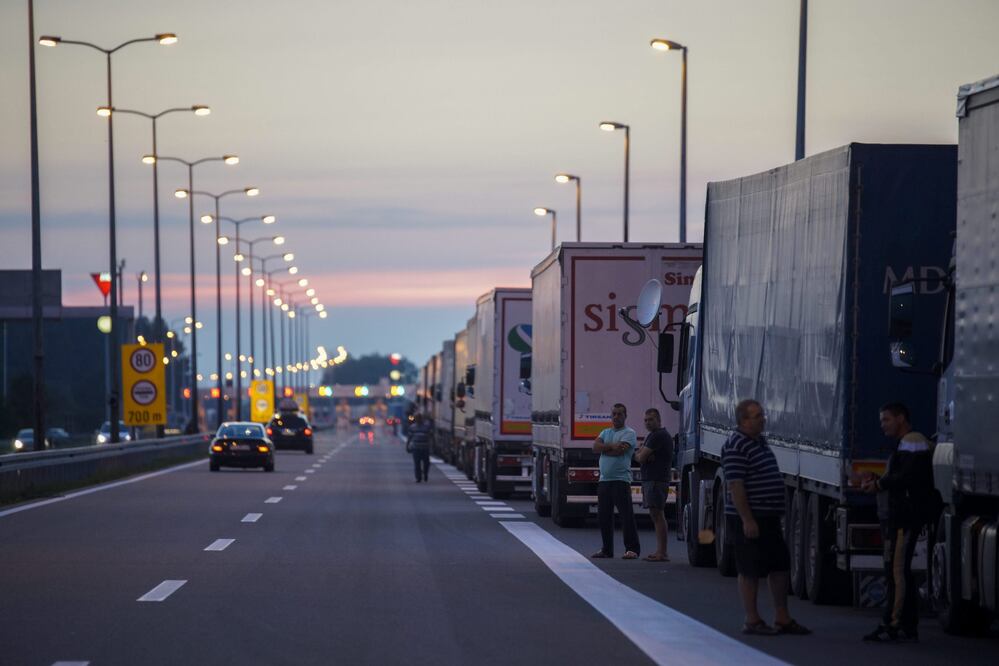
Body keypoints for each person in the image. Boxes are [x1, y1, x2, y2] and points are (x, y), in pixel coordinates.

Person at [722, 399, 811, 636]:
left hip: (768, 517)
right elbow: (736, 485)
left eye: (762, 415)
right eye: (757, 416)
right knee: (750, 568)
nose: (763, 419)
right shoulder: (736, 444)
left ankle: (782, 617)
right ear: (743, 420)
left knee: (780, 564)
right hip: (750, 517)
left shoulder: (758, 442)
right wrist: (747, 519)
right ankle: (752, 620)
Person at [860, 403, 935, 643]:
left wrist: (880, 485)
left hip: (903, 519)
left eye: (887, 420)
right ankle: (907, 623)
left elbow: (907, 477)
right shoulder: (907, 443)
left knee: (896, 571)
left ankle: (891, 623)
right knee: (899, 571)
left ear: (901, 418)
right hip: (901, 517)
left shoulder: (913, 441)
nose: (883, 425)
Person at [591, 403, 641, 560]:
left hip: (621, 480)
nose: (616, 417)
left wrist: (605, 449)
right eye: (614, 414)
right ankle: (607, 549)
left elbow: (621, 451)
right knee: (604, 516)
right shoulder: (606, 432)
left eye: (620, 414)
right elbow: (595, 447)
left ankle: (632, 549)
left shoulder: (629, 433)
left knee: (626, 516)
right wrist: (611, 446)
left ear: (625, 416)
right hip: (604, 481)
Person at [635, 408, 672, 562]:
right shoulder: (654, 435)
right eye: (645, 420)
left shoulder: (658, 436)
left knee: (657, 515)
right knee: (655, 514)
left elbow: (640, 457)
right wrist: (643, 452)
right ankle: (660, 551)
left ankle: (662, 553)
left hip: (656, 480)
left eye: (651, 419)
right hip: (654, 479)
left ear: (658, 420)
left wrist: (641, 453)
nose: (647, 422)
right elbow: (643, 454)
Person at [406, 414, 432, 483]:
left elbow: (430, 437)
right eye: (417, 418)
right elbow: (409, 438)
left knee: (426, 463)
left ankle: (425, 474)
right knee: (417, 463)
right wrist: (407, 446)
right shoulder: (412, 427)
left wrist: (431, 447)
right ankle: (418, 477)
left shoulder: (427, 427)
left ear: (421, 419)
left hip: (425, 448)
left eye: (419, 418)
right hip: (416, 448)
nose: (418, 420)